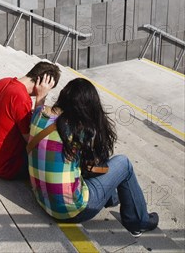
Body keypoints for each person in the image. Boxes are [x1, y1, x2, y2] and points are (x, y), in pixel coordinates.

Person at [27, 78, 159, 237]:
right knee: (123, 164)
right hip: (74, 210)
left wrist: (41, 97)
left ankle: (111, 198)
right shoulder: (78, 131)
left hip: (43, 201)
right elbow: (98, 162)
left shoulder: (37, 115)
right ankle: (138, 222)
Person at [0, 61, 61, 179]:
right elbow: (33, 139)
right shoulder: (21, 98)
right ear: (41, 83)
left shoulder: (2, 82)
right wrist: (40, 99)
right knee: (53, 153)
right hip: (5, 165)